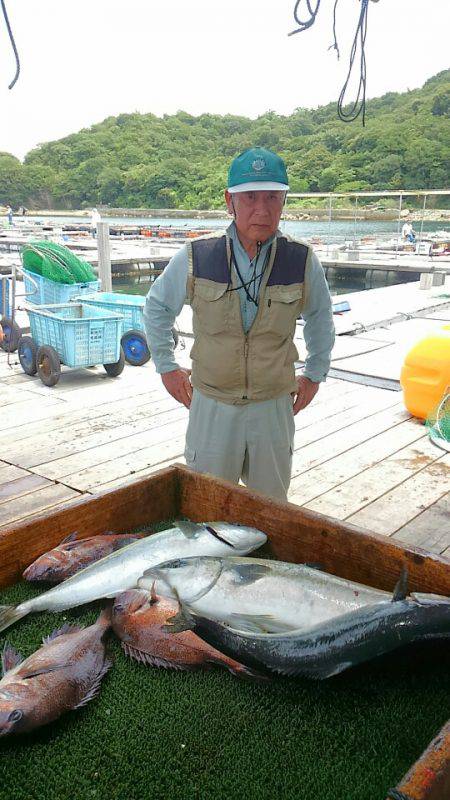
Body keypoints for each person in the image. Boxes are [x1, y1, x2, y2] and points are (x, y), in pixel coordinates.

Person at [144, 147, 335, 502]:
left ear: (283, 201)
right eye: (250, 197)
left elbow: (320, 318)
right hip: (213, 403)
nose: (261, 210)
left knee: (272, 508)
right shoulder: (196, 256)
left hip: (273, 405)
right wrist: (167, 367)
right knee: (208, 506)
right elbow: (156, 308)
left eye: (272, 198)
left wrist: (315, 372)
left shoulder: (302, 259)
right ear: (229, 201)